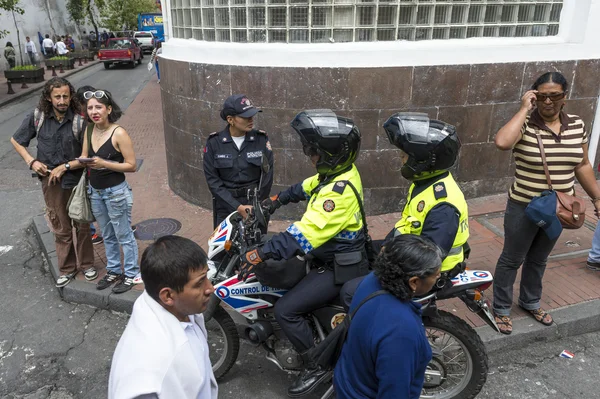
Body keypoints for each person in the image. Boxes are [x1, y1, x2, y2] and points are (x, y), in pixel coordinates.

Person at [238, 110, 367, 397]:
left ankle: (317, 365)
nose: (311, 156)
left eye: (315, 152)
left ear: (331, 155)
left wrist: (259, 253)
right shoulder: (335, 175)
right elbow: (306, 187)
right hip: (332, 257)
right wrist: (275, 200)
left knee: (286, 309)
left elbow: (302, 236)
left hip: (339, 266)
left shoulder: (338, 193)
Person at [492, 72, 600, 334]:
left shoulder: (576, 124)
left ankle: (530, 301)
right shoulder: (524, 124)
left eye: (555, 96)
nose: (549, 101)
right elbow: (502, 142)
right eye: (542, 96)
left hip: (558, 208)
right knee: (512, 258)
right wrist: (523, 109)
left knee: (539, 258)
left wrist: (597, 197)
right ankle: (501, 308)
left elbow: (583, 164)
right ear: (533, 95)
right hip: (523, 206)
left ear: (565, 97)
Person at [339, 112, 468, 310]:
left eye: (405, 155)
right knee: (357, 252)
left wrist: (387, 262)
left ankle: (372, 332)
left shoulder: (443, 205)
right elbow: (409, 225)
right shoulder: (426, 182)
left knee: (350, 291)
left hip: (425, 271)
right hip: (408, 248)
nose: (401, 159)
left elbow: (428, 258)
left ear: (424, 161)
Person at [10, 77, 96, 287]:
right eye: (57, 96)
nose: (62, 100)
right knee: (61, 227)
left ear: (71, 96)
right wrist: (31, 161)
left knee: (82, 224)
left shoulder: (78, 121)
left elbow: (86, 156)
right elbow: (16, 140)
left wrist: (65, 167)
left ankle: (87, 265)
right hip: (51, 184)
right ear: (48, 98)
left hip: (76, 181)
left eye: (66, 96)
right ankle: (67, 269)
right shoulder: (37, 117)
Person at [108, 235, 218, 399]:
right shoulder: (153, 374)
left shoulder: (174, 306)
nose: (210, 288)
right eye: (199, 283)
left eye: (206, 277)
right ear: (167, 296)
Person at [334, 234, 441, 399]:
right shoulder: (401, 331)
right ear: (414, 282)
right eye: (436, 275)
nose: (438, 277)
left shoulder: (372, 280)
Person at [79, 89, 139, 294]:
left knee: (123, 234)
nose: (94, 111)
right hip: (95, 192)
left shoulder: (118, 132)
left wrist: (104, 163)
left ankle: (131, 274)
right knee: (107, 234)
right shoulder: (89, 130)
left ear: (109, 109)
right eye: (90, 108)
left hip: (116, 192)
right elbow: (85, 156)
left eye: (99, 107)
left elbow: (131, 165)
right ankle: (113, 270)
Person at [203, 94, 274, 228]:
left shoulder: (261, 139)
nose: (251, 120)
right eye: (245, 117)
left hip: (255, 205)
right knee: (226, 247)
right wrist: (237, 207)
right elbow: (213, 182)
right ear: (230, 119)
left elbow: (267, 176)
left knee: (257, 247)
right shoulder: (214, 143)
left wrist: (255, 206)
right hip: (226, 207)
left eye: (252, 115)